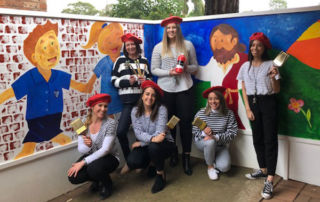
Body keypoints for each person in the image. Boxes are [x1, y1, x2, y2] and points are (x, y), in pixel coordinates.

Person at [151, 16, 199, 175]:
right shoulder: (159, 47)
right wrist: (169, 72)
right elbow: (154, 69)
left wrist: (186, 68)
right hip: (165, 90)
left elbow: (195, 67)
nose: (171, 30)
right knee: (170, 123)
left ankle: (186, 157)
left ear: (178, 29)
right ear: (165, 30)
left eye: (174, 28)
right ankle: (173, 151)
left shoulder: (187, 45)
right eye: (169, 28)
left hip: (185, 89)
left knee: (185, 122)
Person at [237, 32, 280, 200]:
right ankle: (262, 170)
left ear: (264, 48)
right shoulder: (244, 66)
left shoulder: (271, 64)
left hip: (268, 102)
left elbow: (276, 89)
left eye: (259, 45)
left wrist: (274, 76)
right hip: (253, 105)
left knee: (270, 140)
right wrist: (248, 108)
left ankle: (270, 178)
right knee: (257, 138)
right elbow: (244, 88)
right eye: (253, 45)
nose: (255, 48)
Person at [195, 24, 250, 131]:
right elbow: (204, 73)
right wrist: (189, 66)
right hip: (215, 104)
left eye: (222, 40)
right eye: (214, 41)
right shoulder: (214, 61)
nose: (218, 46)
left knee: (235, 128)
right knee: (210, 126)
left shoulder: (244, 60)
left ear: (234, 41)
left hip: (237, 103)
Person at [126, 80, 175, 193]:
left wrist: (143, 143)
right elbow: (138, 133)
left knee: (154, 147)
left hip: (165, 143)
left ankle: (160, 175)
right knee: (133, 161)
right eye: (147, 94)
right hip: (151, 142)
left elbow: (160, 135)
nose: (150, 97)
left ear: (156, 98)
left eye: (153, 95)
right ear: (142, 96)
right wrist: (151, 139)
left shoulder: (162, 109)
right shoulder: (135, 111)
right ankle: (152, 162)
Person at [68, 94, 119, 200]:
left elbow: (106, 150)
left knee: (93, 168)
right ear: (92, 107)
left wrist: (83, 162)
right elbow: (81, 149)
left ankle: (107, 184)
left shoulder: (111, 123)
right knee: (74, 176)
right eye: (100, 105)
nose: (103, 109)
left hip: (110, 157)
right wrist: (88, 146)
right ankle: (97, 179)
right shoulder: (82, 124)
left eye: (105, 106)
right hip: (92, 156)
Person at [112, 33, 152, 164]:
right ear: (125, 47)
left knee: (145, 131)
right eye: (127, 45)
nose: (130, 47)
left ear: (136, 46)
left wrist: (144, 80)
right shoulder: (120, 60)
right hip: (128, 103)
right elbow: (113, 80)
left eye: (132, 44)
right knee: (121, 132)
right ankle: (130, 161)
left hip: (143, 103)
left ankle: (145, 161)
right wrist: (126, 82)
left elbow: (151, 80)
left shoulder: (144, 61)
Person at [192, 86, 238, 180]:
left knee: (225, 167)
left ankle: (212, 157)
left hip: (220, 145)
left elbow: (232, 133)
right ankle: (210, 167)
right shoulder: (201, 113)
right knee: (210, 142)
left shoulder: (229, 114)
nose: (213, 102)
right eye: (210, 99)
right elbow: (194, 131)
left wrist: (215, 137)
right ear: (208, 100)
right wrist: (204, 133)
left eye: (216, 98)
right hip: (203, 143)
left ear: (221, 99)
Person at [82, 22, 124, 118]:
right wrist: (89, 85)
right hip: (107, 95)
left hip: (122, 94)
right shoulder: (104, 61)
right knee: (109, 115)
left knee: (122, 115)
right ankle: (111, 131)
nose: (113, 44)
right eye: (108, 41)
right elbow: (95, 74)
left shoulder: (124, 57)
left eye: (117, 38)